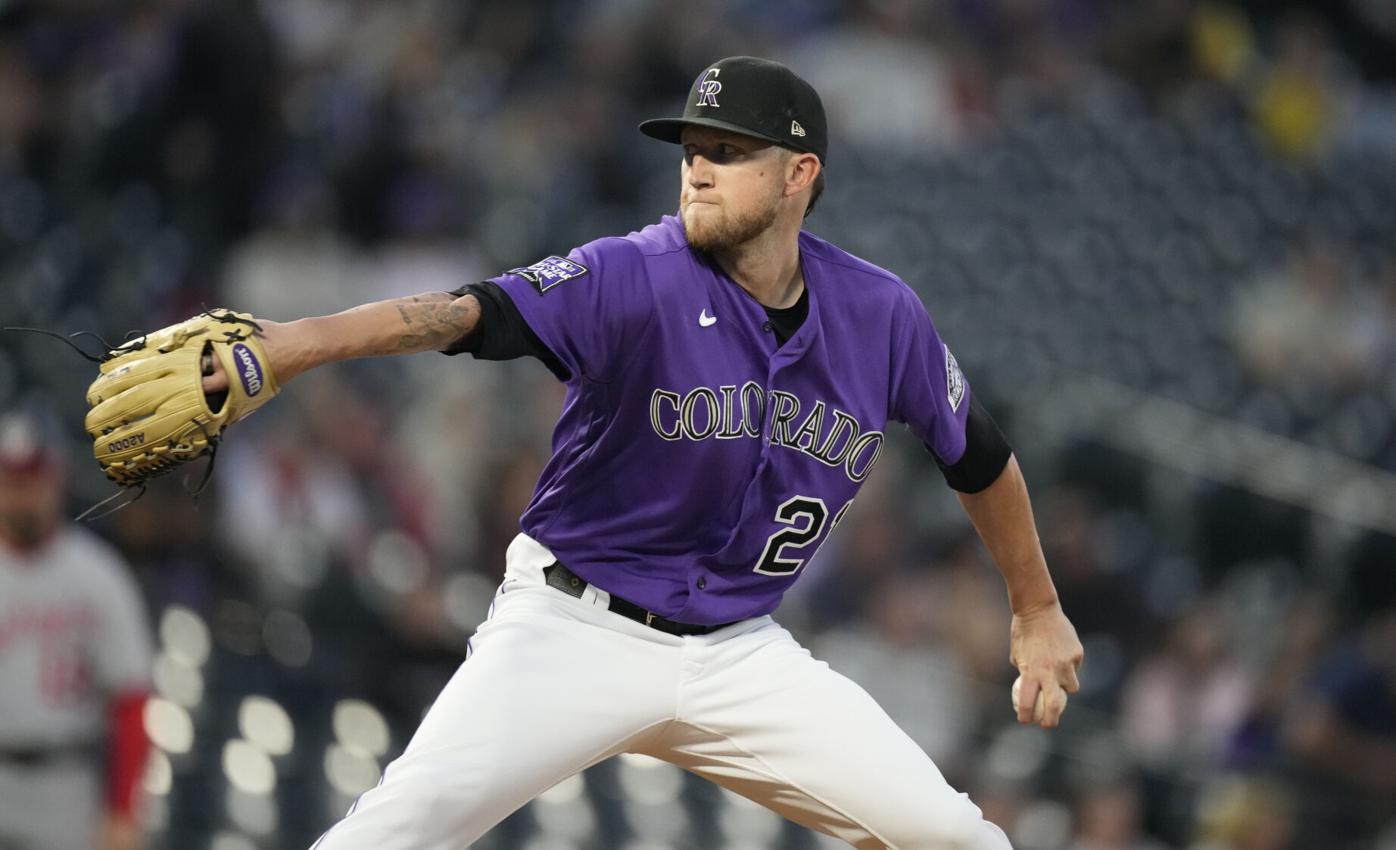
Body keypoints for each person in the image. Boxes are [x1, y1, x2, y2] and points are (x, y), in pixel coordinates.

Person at [203, 56, 1083, 849]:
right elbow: (474, 314)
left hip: (739, 650)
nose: (698, 167)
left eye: (730, 150)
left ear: (798, 175)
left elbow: (980, 457)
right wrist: (298, 343)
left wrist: (1036, 607)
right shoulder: (635, 272)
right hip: (573, 626)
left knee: (957, 841)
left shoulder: (881, 315)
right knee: (397, 834)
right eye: (691, 147)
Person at [0, 413, 154, 850]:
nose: (22, 497)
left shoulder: (97, 575)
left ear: (56, 481)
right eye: (12, 483)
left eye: (32, 482)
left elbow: (132, 701)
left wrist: (124, 811)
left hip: (66, 785)